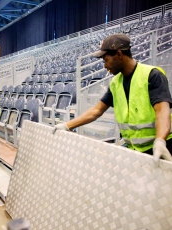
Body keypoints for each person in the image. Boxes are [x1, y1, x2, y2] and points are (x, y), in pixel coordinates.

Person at [53, 33, 172, 164]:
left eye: (106, 60)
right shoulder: (116, 83)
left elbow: (162, 111)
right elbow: (96, 110)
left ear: (119, 55)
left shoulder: (152, 75)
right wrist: (67, 125)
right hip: (137, 152)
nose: (104, 66)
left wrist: (160, 140)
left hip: (160, 149)